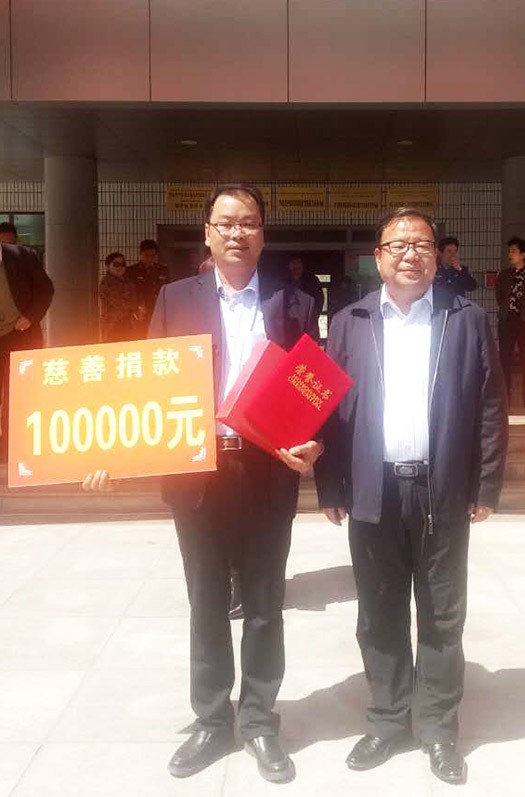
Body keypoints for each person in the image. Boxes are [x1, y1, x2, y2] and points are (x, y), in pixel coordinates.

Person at [84, 184, 322, 783]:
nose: (238, 233)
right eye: (226, 223)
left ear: (263, 233)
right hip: (198, 474)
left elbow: (309, 385)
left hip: (266, 473)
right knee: (207, 603)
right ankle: (214, 721)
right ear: (208, 233)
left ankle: (260, 721)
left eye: (249, 222)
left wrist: (316, 440)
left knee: (264, 604)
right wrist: (111, 451)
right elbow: (147, 384)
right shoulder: (174, 297)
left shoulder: (294, 301)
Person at [314, 207, 508, 786]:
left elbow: (491, 405)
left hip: (441, 489)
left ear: (437, 256)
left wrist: (486, 484)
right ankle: (388, 720)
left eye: (420, 244)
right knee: (379, 614)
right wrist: (329, 484)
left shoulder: (465, 319)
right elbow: (327, 410)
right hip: (372, 490)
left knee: (443, 615)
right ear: (377, 259)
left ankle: (438, 729)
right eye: (396, 245)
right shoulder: (349, 321)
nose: (409, 254)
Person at [0, 241, 54, 460]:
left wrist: (31, 317)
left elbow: (46, 289)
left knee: (18, 394)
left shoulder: (22, 256)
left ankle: (12, 446)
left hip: (20, 335)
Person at [495, 236, 525, 407]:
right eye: (509, 251)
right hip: (507, 320)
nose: (510, 254)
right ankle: (505, 396)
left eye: (513, 251)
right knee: (504, 359)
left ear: (523, 255)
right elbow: (499, 296)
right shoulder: (504, 275)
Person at [125, 239, 169, 335]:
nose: (149, 259)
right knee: (141, 336)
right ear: (140, 255)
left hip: (159, 310)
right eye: (146, 255)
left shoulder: (163, 270)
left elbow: (168, 290)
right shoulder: (131, 271)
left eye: (153, 256)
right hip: (140, 313)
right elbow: (128, 293)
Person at [98, 252, 141, 342]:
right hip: (113, 324)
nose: (120, 267)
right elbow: (119, 303)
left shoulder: (128, 281)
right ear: (108, 266)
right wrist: (133, 307)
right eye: (116, 264)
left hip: (129, 323)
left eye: (123, 264)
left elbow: (134, 300)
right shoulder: (107, 283)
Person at [287, 256, 325, 330]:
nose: (296, 267)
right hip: (288, 323)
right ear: (289, 266)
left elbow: (319, 300)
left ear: (302, 266)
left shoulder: (312, 281)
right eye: (293, 264)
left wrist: (313, 316)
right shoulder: (284, 282)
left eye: (298, 264)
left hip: (308, 323)